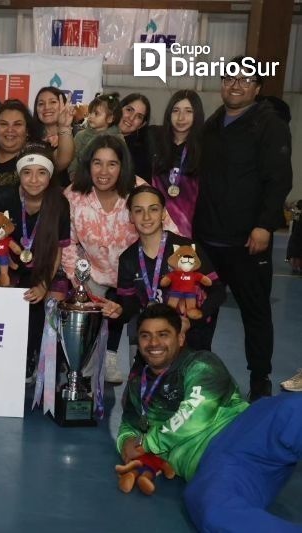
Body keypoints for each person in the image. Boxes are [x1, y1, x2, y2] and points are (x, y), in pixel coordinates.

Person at [117, 303, 302, 532]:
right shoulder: (138, 387)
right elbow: (128, 427)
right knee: (213, 512)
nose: (153, 343)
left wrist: (147, 443)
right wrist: (126, 443)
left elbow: (197, 409)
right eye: (146, 336)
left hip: (246, 429)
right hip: (215, 465)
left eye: (163, 334)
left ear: (181, 338)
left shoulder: (201, 363)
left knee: (293, 409)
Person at [195, 56, 293, 401]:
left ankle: (259, 379)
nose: (234, 85)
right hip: (207, 238)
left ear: (257, 87)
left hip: (247, 240)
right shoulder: (213, 123)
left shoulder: (269, 124)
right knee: (201, 310)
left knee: (255, 311)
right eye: (228, 78)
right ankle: (198, 370)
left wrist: (265, 226)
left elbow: (279, 179)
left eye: (243, 80)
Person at [62, 135, 177, 384]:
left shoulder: (138, 189)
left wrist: (169, 274)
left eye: (112, 164)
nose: (104, 171)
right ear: (87, 165)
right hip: (93, 274)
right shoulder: (73, 195)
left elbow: (171, 234)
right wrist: (77, 282)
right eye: (97, 163)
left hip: (139, 276)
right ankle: (83, 387)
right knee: (84, 337)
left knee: (147, 337)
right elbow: (67, 242)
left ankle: (148, 387)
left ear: (122, 166)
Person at [116, 185, 225, 352]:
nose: (146, 217)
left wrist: (193, 320)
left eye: (153, 209)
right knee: (139, 378)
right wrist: (119, 310)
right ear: (131, 216)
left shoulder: (186, 248)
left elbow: (218, 291)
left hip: (192, 340)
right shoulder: (127, 259)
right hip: (154, 345)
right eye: (138, 211)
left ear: (163, 213)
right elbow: (130, 306)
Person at [1, 145, 70, 379]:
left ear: (50, 176)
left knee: (50, 305)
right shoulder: (6, 198)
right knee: (12, 304)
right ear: (19, 175)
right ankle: (14, 358)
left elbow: (58, 251)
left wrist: (43, 283)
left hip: (47, 268)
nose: (34, 179)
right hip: (12, 269)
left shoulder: (59, 204)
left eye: (41, 172)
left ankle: (48, 362)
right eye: (27, 172)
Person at [149, 90, 205, 238]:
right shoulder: (155, 142)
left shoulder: (204, 148)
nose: (181, 117)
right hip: (153, 224)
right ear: (169, 114)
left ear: (197, 115)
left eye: (188, 111)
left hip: (191, 228)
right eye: (176, 111)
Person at [0, 100, 42, 186]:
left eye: (17, 124)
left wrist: (63, 128)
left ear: (27, 130)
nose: (10, 130)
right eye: (4, 124)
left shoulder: (37, 156)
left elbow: (62, 160)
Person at [68, 92, 123, 179]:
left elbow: (122, 163)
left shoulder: (118, 138)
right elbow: (74, 158)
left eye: (96, 114)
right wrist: (73, 175)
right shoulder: (80, 136)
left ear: (110, 118)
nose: (90, 116)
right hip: (83, 180)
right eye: (90, 113)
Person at [32, 87, 76, 184]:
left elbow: (63, 161)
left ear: (63, 105)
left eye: (53, 102)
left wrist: (63, 128)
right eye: (41, 104)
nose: (47, 107)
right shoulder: (30, 138)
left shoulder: (78, 135)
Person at [117, 93, 154, 182]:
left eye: (139, 116)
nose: (131, 118)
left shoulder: (142, 154)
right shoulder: (96, 136)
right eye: (129, 110)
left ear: (142, 125)